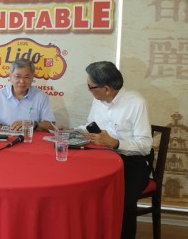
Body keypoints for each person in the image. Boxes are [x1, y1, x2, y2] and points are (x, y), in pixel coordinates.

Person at [65, 61, 152, 239]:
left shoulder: (137, 103)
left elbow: (145, 145)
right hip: (102, 158)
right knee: (77, 188)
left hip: (132, 162)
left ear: (106, 88)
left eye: (90, 87)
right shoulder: (99, 100)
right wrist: (72, 131)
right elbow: (91, 126)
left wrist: (115, 143)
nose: (89, 90)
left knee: (123, 201)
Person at [0, 58, 56, 132]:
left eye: (26, 77)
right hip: (4, 137)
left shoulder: (40, 96)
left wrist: (31, 124)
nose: (22, 81)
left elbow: (51, 124)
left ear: (32, 78)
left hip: (30, 139)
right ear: (10, 77)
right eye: (18, 76)